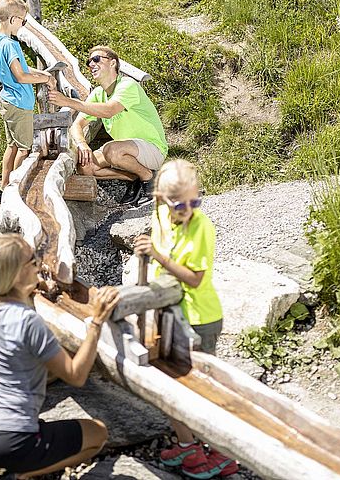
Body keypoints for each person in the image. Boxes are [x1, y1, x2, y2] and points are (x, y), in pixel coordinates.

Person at [0, 233, 120, 479]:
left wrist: (32, 285)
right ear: (15, 275)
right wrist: (96, 322)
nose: (39, 262)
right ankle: (19, 475)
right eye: (32, 260)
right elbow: (76, 376)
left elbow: (10, 301)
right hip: (10, 440)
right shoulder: (28, 322)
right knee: (97, 434)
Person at [133, 159, 239, 479]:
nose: (189, 209)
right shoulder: (160, 214)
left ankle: (223, 452)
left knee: (201, 390)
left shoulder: (201, 226)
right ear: (161, 199)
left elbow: (194, 278)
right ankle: (187, 445)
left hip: (199, 319)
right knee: (169, 384)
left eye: (196, 201)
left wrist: (157, 255)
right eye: (181, 204)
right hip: (169, 312)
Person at [48, 45, 168, 207]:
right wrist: (82, 145)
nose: (91, 64)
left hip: (152, 149)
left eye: (96, 59)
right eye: (89, 61)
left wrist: (69, 102)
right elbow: (77, 125)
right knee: (86, 167)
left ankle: (148, 178)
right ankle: (133, 176)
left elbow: (109, 110)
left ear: (113, 63)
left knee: (111, 150)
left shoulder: (127, 85)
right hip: (125, 151)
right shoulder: (98, 93)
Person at [0, 0, 56, 204]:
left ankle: (3, 188)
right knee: (23, 149)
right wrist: (45, 77)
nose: (23, 24)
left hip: (7, 100)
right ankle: (15, 190)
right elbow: (20, 76)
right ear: (12, 20)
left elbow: (19, 69)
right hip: (19, 104)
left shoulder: (0, 41)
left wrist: (41, 74)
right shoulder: (11, 45)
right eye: (22, 20)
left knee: (11, 146)